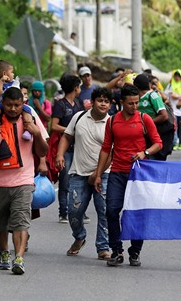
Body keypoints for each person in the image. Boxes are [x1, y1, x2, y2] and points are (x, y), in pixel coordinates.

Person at [0, 87, 49, 275]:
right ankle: (5, 253)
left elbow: (43, 151)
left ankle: (19, 258)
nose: (13, 109)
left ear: (23, 104)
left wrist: (37, 134)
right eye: (9, 105)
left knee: (21, 221)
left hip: (23, 180)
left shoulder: (30, 119)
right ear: (3, 104)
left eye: (17, 105)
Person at [94, 85, 162, 267]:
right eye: (131, 103)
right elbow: (106, 149)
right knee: (111, 211)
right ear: (121, 102)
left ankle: (135, 251)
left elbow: (158, 143)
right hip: (117, 172)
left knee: (137, 213)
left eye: (137, 102)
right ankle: (116, 250)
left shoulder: (144, 118)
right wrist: (98, 174)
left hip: (138, 174)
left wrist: (144, 152)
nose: (135, 106)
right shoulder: (112, 121)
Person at [56, 87, 113, 260]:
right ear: (93, 102)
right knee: (74, 211)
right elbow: (66, 136)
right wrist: (59, 155)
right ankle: (79, 236)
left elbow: (112, 153)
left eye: (106, 101)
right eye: (100, 100)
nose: (103, 104)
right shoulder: (79, 117)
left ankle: (103, 247)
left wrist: (97, 173)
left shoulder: (112, 123)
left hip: (103, 174)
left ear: (110, 105)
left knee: (104, 211)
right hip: (78, 172)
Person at [49, 74, 83, 223]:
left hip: (79, 149)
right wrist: (70, 130)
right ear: (76, 87)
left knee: (80, 180)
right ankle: (63, 212)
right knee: (65, 181)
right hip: (65, 149)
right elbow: (54, 126)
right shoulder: (60, 104)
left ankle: (78, 210)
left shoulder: (78, 104)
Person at [0, 60, 33, 144]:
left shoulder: (15, 83)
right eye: (11, 72)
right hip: (1, 106)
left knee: (27, 111)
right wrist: (1, 81)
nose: (13, 74)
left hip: (15, 106)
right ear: (5, 74)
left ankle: (28, 129)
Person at [133, 73, 172, 161]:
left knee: (154, 160)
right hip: (144, 135)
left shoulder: (153, 96)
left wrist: (148, 122)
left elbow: (164, 115)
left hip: (155, 133)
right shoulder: (138, 98)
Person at [165, 69, 181, 150]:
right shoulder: (170, 85)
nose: (177, 78)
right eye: (176, 76)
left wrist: (178, 96)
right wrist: (170, 93)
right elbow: (165, 93)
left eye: (179, 76)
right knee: (174, 127)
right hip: (172, 109)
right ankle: (175, 142)